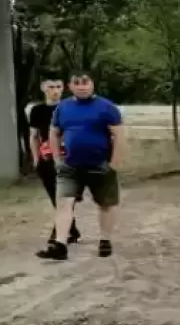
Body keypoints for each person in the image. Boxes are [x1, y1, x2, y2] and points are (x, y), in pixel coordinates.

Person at [37, 71, 125, 261]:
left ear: (92, 84)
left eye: (86, 83)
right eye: (77, 83)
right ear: (71, 86)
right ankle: (60, 244)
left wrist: (115, 162)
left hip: (100, 165)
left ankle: (105, 240)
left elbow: (119, 134)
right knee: (63, 203)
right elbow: (54, 132)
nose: (82, 86)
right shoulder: (63, 108)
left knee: (106, 204)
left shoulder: (107, 107)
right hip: (70, 166)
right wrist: (56, 159)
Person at [27, 76, 81, 246]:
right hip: (47, 158)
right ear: (43, 88)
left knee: (65, 196)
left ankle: (59, 233)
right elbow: (34, 136)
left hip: (68, 157)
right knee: (55, 197)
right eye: (51, 86)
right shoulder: (37, 110)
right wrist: (36, 158)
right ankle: (71, 230)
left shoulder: (70, 107)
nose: (55, 90)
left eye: (58, 86)